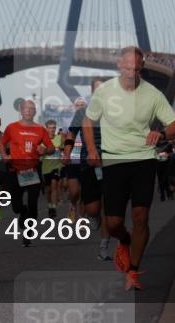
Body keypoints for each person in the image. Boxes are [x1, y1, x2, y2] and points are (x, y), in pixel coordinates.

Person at [83, 46, 175, 291]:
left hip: (144, 160)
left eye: (136, 68)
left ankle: (133, 270)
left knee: (141, 216)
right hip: (114, 160)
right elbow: (88, 121)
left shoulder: (152, 94)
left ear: (142, 67)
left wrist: (161, 133)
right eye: (127, 67)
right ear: (119, 65)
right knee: (114, 223)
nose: (131, 72)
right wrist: (93, 150)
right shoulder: (104, 91)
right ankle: (124, 241)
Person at [63, 85, 112, 261]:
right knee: (93, 208)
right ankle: (94, 215)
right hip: (88, 163)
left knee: (110, 207)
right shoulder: (82, 113)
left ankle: (104, 246)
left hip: (111, 162)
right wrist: (67, 152)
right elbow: (71, 134)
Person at [1, 99, 54, 247]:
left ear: (35, 112)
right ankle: (22, 212)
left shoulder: (40, 129)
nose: (28, 110)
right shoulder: (11, 127)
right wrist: (4, 156)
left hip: (33, 170)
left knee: (33, 203)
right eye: (26, 108)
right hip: (15, 170)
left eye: (31, 108)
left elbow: (52, 148)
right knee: (17, 206)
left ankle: (28, 232)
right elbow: (1, 143)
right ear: (21, 111)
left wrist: (45, 149)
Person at [41, 119, 64, 218]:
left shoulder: (59, 138)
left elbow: (64, 149)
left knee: (54, 185)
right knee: (48, 189)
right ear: (46, 129)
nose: (52, 130)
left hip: (57, 166)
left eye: (54, 128)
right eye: (50, 128)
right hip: (46, 168)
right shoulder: (42, 141)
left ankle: (54, 207)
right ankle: (50, 205)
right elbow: (40, 154)